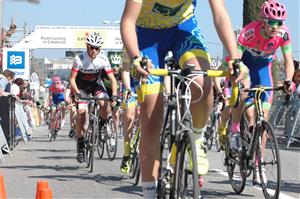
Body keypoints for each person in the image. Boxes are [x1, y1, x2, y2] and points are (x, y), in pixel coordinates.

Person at [120, 0, 244, 197]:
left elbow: (220, 14)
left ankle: (196, 137)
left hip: (183, 29)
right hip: (146, 36)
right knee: (151, 117)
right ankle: (149, 192)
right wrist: (136, 57)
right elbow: (127, 21)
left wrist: (235, 59)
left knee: (202, 83)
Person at [227, 0, 294, 185]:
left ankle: (259, 162)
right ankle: (234, 130)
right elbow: (236, 57)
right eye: (272, 22)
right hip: (246, 67)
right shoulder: (249, 31)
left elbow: (288, 61)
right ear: (263, 21)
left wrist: (288, 81)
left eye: (279, 23)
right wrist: (237, 74)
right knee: (247, 107)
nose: (276, 27)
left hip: (263, 71)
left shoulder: (284, 34)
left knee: (262, 118)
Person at [69, 32, 118, 163]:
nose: (94, 51)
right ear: (87, 46)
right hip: (81, 87)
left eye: (97, 48)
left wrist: (114, 94)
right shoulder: (79, 59)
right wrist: (76, 93)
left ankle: (101, 125)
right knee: (81, 114)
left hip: (96, 85)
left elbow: (112, 79)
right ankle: (80, 146)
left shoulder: (103, 59)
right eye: (92, 47)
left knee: (106, 106)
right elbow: (72, 79)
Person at [120, 46, 140, 173]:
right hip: (131, 85)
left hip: (150, 82)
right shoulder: (128, 46)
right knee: (129, 115)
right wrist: (128, 89)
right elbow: (125, 70)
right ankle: (127, 152)